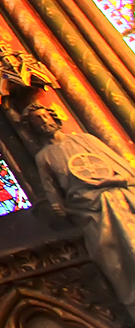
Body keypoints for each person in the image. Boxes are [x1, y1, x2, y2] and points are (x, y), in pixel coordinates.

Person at [26, 103, 135, 310]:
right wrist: (58, 206)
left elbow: (125, 172)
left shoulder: (86, 140)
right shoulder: (44, 157)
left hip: (115, 197)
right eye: (37, 120)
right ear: (32, 127)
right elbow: (51, 188)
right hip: (84, 207)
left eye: (45, 116)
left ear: (54, 117)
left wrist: (108, 182)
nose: (44, 122)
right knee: (106, 251)